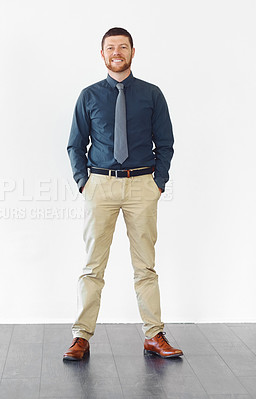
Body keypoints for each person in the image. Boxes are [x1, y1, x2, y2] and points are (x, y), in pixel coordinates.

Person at [63, 27, 183, 361]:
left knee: (146, 265)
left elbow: (166, 143)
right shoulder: (89, 96)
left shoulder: (152, 94)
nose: (117, 52)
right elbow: (75, 143)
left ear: (133, 52)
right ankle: (80, 337)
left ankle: (154, 335)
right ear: (102, 54)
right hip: (100, 185)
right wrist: (82, 181)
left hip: (142, 185)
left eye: (123, 46)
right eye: (111, 47)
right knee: (92, 266)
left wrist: (158, 182)